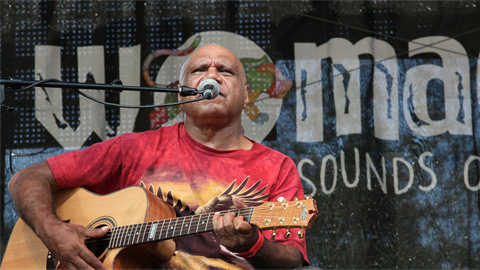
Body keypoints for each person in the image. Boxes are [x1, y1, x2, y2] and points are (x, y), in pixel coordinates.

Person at [8, 44, 310, 270]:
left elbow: (292, 257)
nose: (212, 75)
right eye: (199, 70)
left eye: (225, 71)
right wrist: (52, 230)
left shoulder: (277, 166)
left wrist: (252, 244)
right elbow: (27, 178)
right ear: (181, 93)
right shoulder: (134, 148)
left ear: (246, 95)